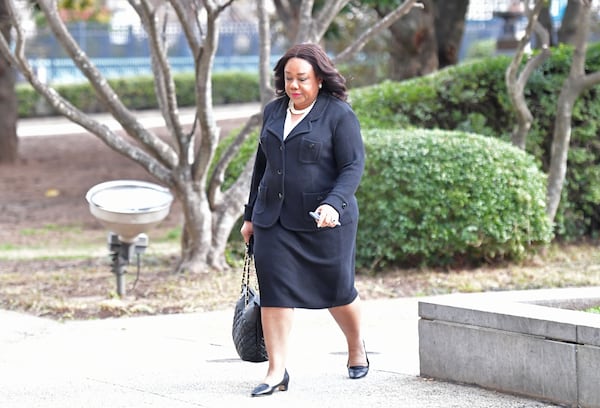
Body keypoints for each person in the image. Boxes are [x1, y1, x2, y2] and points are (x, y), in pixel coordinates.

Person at [240, 43, 368, 397]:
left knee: (337, 291)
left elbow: (352, 166)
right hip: (273, 219)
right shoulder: (273, 111)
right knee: (275, 294)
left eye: (302, 79)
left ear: (320, 80)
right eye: (288, 78)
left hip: (321, 219)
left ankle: (356, 347)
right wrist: (250, 216)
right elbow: (262, 166)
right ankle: (276, 370)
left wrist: (334, 205)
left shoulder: (338, 114)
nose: (294, 85)